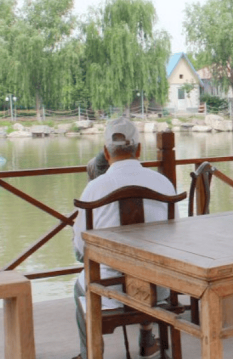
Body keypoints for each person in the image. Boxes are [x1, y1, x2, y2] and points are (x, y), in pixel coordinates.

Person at [72, 117, 176, 359]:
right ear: (139, 150)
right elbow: (175, 236)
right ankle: (147, 339)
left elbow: (80, 246)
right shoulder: (163, 182)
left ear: (106, 152)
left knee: (79, 273)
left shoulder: (95, 188)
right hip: (159, 285)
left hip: (110, 289)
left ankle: (90, 353)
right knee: (147, 260)